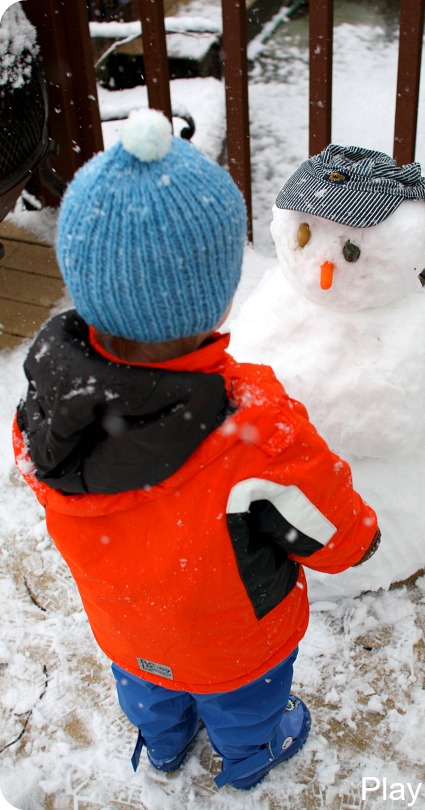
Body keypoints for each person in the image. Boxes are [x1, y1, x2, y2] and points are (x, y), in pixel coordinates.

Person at [13, 109, 380, 791]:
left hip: (129, 634)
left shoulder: (44, 409)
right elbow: (332, 530)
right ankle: (249, 760)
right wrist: (362, 540)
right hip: (237, 644)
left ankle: (163, 747)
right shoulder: (255, 426)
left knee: (150, 697)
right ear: (214, 299)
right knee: (247, 710)